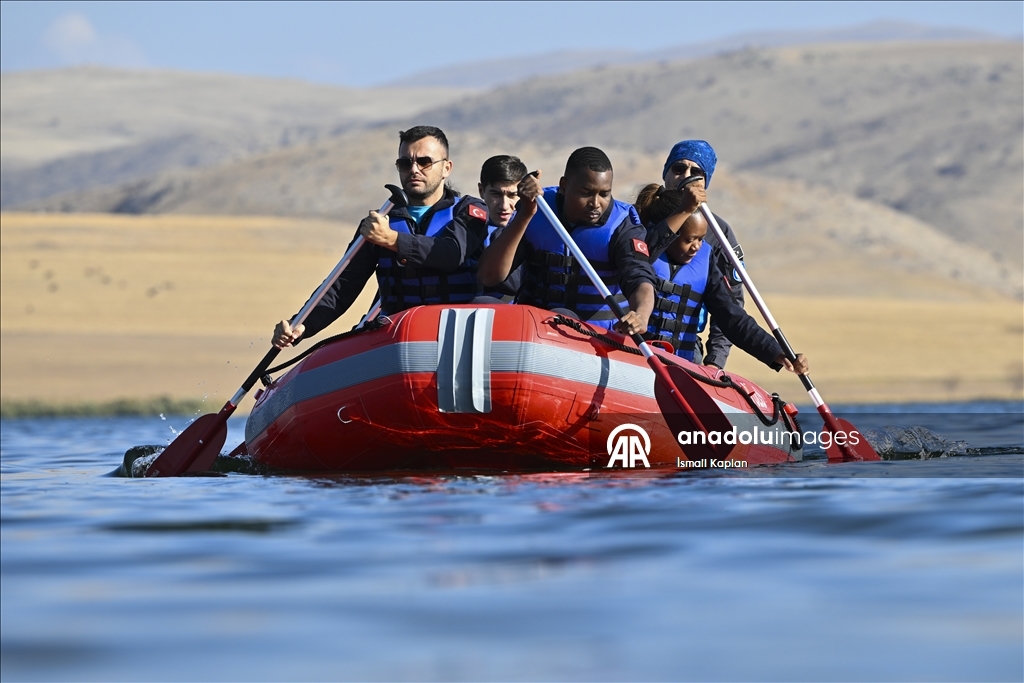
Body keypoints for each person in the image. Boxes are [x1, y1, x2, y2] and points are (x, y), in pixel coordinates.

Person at [272, 125, 489, 348]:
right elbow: (343, 285)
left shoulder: (471, 211)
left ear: (446, 168)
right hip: (399, 338)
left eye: (424, 162)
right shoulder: (379, 222)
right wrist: (302, 325)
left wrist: (393, 241)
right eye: (405, 163)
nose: (414, 169)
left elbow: (451, 253)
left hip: (457, 334)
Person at [477, 146, 655, 336]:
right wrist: (526, 214)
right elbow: (489, 276)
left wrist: (641, 316)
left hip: (595, 336)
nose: (595, 203)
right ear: (564, 185)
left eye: (604, 194)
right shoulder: (538, 207)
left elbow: (639, 277)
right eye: (586, 192)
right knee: (480, 306)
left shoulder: (623, 225)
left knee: (560, 317)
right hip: (533, 327)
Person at [634, 183, 808, 374]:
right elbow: (652, 245)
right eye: (689, 239)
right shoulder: (641, 250)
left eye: (700, 239)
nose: (696, 247)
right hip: (634, 358)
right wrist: (684, 209)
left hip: (680, 366)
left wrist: (777, 352)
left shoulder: (706, 262)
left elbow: (731, 316)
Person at [647, 140, 746, 369]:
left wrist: (715, 362)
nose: (686, 176)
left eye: (696, 172)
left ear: (706, 181)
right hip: (631, 334)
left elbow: (730, 303)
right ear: (666, 173)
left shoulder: (719, 234)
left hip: (685, 344)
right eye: (679, 169)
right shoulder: (640, 216)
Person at [473, 155, 527, 302]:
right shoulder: (465, 230)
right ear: (481, 191)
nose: (504, 205)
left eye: (512, 195)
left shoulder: (534, 232)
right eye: (496, 194)